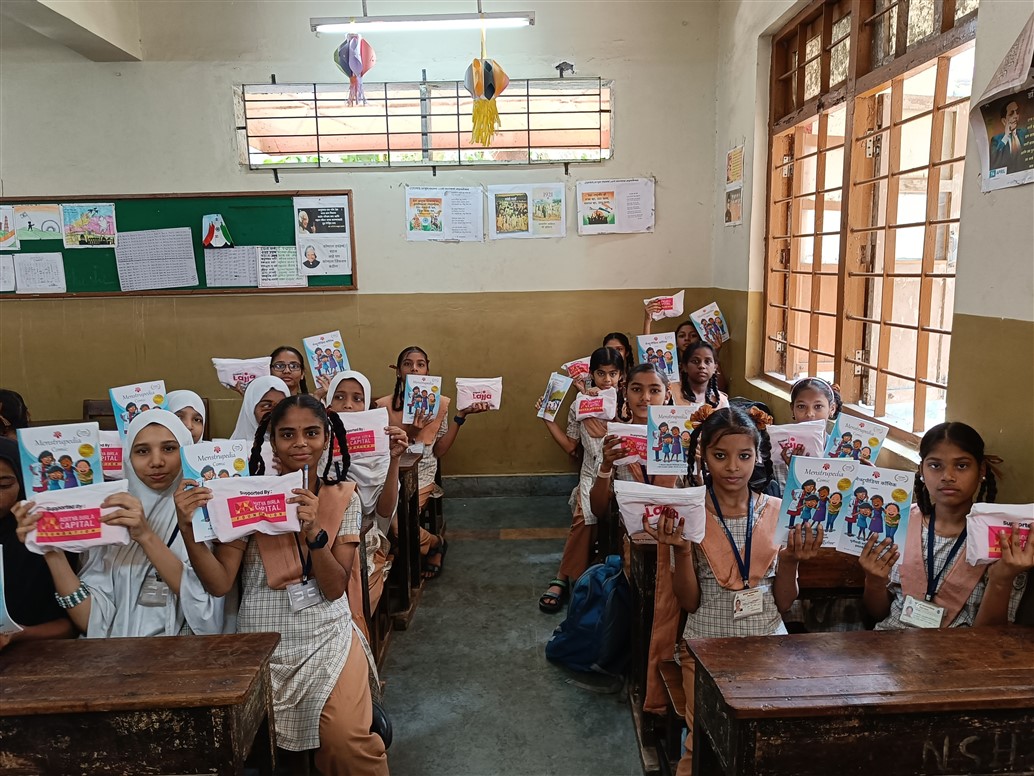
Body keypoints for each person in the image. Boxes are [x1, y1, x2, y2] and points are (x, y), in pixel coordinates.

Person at [174, 394, 388, 775]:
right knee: (266, 753)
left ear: (327, 439)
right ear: (272, 441)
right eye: (287, 434)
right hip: (263, 639)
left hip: (327, 635)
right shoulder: (247, 496)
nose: (300, 443)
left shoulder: (342, 497)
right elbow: (220, 582)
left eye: (311, 433)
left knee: (345, 741)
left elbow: (336, 588)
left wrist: (315, 533)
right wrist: (190, 531)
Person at [644, 406, 822, 775]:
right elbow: (690, 602)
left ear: (758, 456)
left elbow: (784, 602)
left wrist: (790, 562)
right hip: (707, 649)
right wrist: (679, 549)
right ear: (704, 456)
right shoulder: (689, 512)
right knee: (704, 741)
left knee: (772, 741)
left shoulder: (778, 511)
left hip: (768, 644)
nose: (732, 467)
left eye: (744, 456)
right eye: (720, 456)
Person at [13, 413, 227, 638]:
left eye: (169, 449)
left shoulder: (203, 511)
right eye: (142, 451)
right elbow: (91, 622)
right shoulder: (111, 512)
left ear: (185, 451)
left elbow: (208, 616)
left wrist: (145, 535)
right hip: (116, 659)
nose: (156, 461)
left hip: (185, 658)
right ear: (128, 457)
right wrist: (51, 550)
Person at [861, 422, 1031, 629]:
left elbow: (991, 637)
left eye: (961, 466)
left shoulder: (1001, 538)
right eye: (935, 465)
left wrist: (1000, 580)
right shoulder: (900, 524)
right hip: (892, 648)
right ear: (921, 470)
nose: (947, 476)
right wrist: (874, 581)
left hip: (961, 656)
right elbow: (878, 613)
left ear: (981, 471)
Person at [590, 363, 682, 715]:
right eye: (637, 389)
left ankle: (674, 666)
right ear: (625, 394)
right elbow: (599, 510)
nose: (646, 397)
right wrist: (606, 465)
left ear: (667, 394)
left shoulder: (687, 437)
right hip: (639, 545)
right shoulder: (615, 438)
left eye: (654, 390)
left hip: (679, 541)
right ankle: (646, 670)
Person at [376, 346, 490, 580]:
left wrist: (461, 417)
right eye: (407, 364)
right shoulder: (383, 406)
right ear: (398, 371)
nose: (414, 369)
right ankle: (413, 545)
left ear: (427, 370)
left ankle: (435, 543)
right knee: (381, 520)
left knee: (398, 525)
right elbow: (382, 449)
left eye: (420, 364)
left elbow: (439, 450)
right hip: (388, 472)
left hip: (422, 473)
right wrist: (411, 430)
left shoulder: (439, 404)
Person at [536, 347, 625, 612]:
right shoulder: (578, 404)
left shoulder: (627, 400)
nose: (607, 380)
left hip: (623, 471)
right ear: (591, 374)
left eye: (613, 374)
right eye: (600, 373)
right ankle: (564, 576)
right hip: (591, 473)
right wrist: (547, 418)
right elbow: (572, 446)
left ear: (621, 376)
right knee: (584, 516)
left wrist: (614, 419)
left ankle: (607, 575)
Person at [325, 370, 408, 634]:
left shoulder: (380, 452)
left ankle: (351, 645)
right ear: (328, 406)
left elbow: (383, 511)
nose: (348, 405)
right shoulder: (318, 442)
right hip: (324, 535)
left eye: (357, 399)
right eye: (339, 397)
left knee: (351, 591)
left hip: (364, 536)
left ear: (367, 406)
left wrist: (394, 458)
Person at [0, 438, 75, 651]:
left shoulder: (41, 534)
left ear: (23, 483)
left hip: (37, 657)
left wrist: (16, 635)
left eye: (4, 485)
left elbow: (71, 625)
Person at [673, 341, 728, 410]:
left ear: (715, 367)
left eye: (707, 361)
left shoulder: (722, 402)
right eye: (695, 361)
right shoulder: (670, 392)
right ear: (685, 367)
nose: (702, 366)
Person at [989, 100, 1029, 175]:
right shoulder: (996, 140)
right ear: (1004, 121)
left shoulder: (1025, 132)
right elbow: (994, 160)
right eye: (1011, 114)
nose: (1015, 116)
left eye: (1017, 112)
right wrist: (1006, 136)